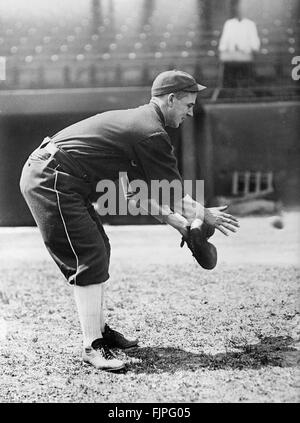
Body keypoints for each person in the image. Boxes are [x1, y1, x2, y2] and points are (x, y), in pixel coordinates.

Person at [19, 70, 239, 372]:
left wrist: (182, 225)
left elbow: (135, 195)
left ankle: (100, 331)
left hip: (62, 177)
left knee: (100, 249)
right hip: (52, 178)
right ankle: (92, 347)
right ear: (171, 99)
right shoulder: (149, 131)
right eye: (188, 105)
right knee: (89, 255)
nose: (191, 112)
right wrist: (208, 215)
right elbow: (175, 195)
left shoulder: (140, 125)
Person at [218, 0, 260, 88]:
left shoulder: (250, 24)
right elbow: (223, 44)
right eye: (238, 8)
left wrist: (244, 49)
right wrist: (228, 49)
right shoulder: (229, 23)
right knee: (228, 71)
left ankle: (245, 90)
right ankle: (229, 91)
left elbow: (255, 44)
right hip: (231, 58)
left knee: (245, 71)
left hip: (245, 58)